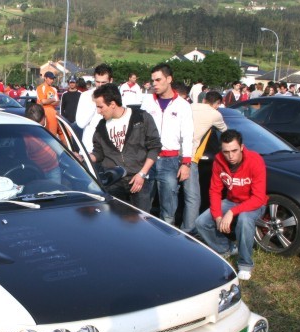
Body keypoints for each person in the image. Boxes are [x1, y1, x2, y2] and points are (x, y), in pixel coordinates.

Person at [195, 130, 267, 281]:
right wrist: (218, 216)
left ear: (241, 147)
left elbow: (259, 197)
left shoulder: (255, 160)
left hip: (254, 202)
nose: (230, 156)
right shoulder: (219, 161)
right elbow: (214, 191)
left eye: (234, 150)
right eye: (226, 152)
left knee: (245, 220)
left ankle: (245, 264)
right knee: (201, 222)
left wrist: (231, 212)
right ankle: (227, 248)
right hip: (231, 201)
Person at [90, 84, 161, 212]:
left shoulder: (141, 117)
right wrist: (84, 157)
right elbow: (98, 152)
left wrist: (142, 174)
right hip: (114, 183)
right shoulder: (101, 126)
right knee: (115, 223)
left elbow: (154, 147)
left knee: (141, 222)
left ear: (112, 104)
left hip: (139, 181)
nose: (98, 111)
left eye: (100, 107)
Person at [141, 63, 193, 225]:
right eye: (152, 80)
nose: (154, 84)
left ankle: (167, 244)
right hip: (147, 159)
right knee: (142, 207)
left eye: (158, 80)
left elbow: (187, 135)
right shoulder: (148, 101)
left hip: (170, 161)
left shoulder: (183, 105)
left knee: (168, 209)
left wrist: (186, 163)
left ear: (169, 79)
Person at [182, 91, 227, 234]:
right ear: (217, 104)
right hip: (190, 158)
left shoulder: (189, 106)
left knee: (171, 193)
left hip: (171, 153)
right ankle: (189, 232)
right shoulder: (215, 114)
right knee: (193, 198)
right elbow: (227, 134)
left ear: (205, 99)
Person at [75, 63, 113, 153]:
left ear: (111, 81)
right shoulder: (85, 96)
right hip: (89, 150)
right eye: (97, 82)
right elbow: (81, 123)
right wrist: (94, 102)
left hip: (110, 153)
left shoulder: (116, 98)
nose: (100, 85)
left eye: (103, 82)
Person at [23, 103, 61, 183]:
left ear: (44, 117)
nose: (37, 129)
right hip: (37, 174)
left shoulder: (49, 126)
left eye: (40, 125)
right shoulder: (23, 138)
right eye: (34, 126)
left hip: (54, 169)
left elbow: (59, 146)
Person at [36, 71, 60, 136]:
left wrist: (48, 101)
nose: (52, 80)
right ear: (45, 78)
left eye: (53, 79)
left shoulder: (53, 89)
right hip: (42, 114)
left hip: (52, 114)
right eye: (50, 78)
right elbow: (43, 101)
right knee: (43, 135)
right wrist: (52, 100)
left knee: (52, 135)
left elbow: (57, 102)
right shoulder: (40, 88)